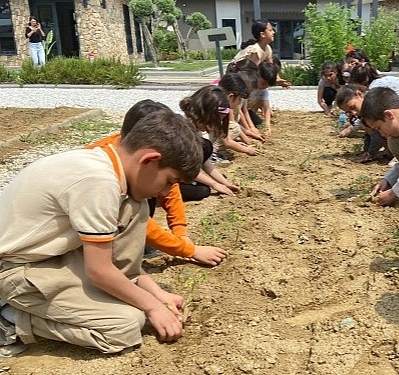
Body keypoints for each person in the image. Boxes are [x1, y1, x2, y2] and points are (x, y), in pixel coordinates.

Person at [0, 110, 202, 356]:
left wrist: (156, 294)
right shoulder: (98, 181)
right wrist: (152, 307)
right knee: (124, 325)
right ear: (149, 160)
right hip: (15, 269)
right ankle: (10, 318)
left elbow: (117, 264)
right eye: (170, 181)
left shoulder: (115, 174)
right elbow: (99, 271)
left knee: (136, 208)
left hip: (52, 258)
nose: (166, 191)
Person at [88, 99, 229, 266]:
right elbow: (137, 218)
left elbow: (172, 193)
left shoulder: (134, 162)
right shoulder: (105, 177)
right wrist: (188, 250)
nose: (165, 190)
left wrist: (180, 232)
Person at [180, 85, 260, 160]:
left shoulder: (201, 119)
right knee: (233, 128)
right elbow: (227, 141)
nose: (239, 102)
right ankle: (214, 153)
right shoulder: (186, 132)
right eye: (239, 99)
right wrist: (247, 149)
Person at [335, 84, 389, 163]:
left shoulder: (373, 107)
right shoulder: (363, 110)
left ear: (359, 94)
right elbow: (369, 134)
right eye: (349, 112)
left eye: (353, 107)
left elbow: (376, 137)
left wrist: (370, 153)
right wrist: (366, 150)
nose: (353, 113)